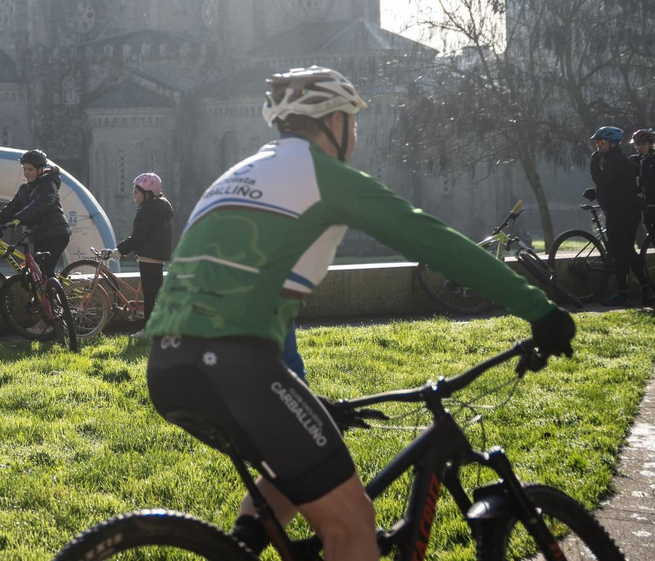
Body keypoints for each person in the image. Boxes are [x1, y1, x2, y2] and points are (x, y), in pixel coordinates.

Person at [146, 66, 573, 561]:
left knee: (288, 471)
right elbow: (433, 240)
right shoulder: (325, 177)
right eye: (353, 120)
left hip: (170, 367)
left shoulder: (237, 175)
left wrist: (298, 393)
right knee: (354, 526)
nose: (357, 134)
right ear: (334, 122)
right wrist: (539, 310)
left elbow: (242, 296)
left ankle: (238, 548)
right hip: (236, 367)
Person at [589, 126, 652, 306]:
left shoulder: (615, 159)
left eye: (601, 142)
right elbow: (612, 185)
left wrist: (593, 163)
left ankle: (623, 294)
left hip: (621, 213)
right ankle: (645, 289)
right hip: (624, 212)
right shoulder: (614, 159)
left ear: (613, 143)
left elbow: (602, 179)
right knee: (627, 252)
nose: (598, 146)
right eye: (596, 142)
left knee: (619, 253)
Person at [0, 149, 70, 275]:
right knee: (36, 274)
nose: (26, 173)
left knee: (45, 272)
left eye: (30, 169)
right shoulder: (24, 189)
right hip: (39, 235)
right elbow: (9, 210)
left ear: (40, 170)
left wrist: (18, 219)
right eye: (24, 169)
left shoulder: (48, 184)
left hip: (56, 234)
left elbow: (41, 204)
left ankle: (56, 294)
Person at [102, 172, 174, 321]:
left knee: (149, 296)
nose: (133, 195)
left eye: (136, 192)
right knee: (157, 295)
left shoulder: (147, 210)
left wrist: (118, 251)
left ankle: (148, 329)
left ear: (147, 193)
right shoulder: (161, 208)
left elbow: (138, 238)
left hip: (148, 257)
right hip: (158, 257)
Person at [635, 129, 655, 235]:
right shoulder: (642, 160)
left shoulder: (652, 160)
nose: (640, 147)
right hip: (647, 205)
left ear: (650, 144)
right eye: (638, 144)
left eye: (644, 144)